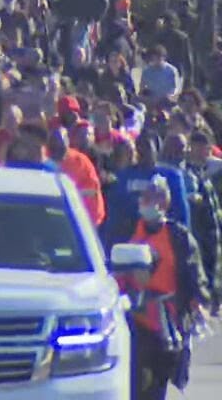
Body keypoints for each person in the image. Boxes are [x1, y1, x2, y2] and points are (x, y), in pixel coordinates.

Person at [118, 177, 210, 400]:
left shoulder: (179, 236)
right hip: (135, 319)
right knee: (136, 380)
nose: (150, 203)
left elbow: (194, 274)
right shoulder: (129, 231)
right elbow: (116, 269)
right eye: (147, 197)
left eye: (156, 198)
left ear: (166, 203)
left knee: (160, 379)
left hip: (167, 321)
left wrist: (198, 301)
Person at [47, 127, 105, 227]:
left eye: (61, 147)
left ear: (68, 143)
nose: (58, 150)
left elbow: (91, 192)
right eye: (54, 146)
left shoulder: (80, 161)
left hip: (85, 219)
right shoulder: (42, 159)